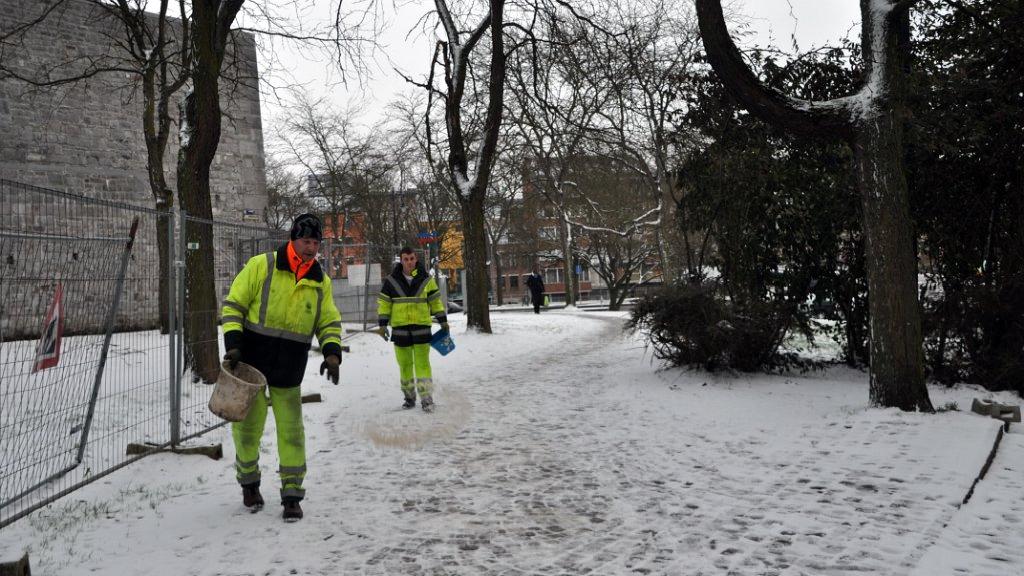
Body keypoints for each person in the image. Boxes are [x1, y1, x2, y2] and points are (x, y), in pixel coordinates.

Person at [220, 213, 343, 522]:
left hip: (289, 367)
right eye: (306, 241)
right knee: (247, 430)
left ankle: (292, 494)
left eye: (315, 243)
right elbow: (234, 305)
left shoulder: (320, 282)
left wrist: (332, 354)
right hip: (252, 366)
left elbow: (328, 321)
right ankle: (249, 483)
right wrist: (233, 343)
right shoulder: (263, 266)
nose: (311, 248)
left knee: (292, 432)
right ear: (293, 239)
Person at [376, 247, 448, 412]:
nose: (409, 262)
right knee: (405, 365)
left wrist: (443, 320)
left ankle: (426, 398)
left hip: (421, 328)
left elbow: (436, 302)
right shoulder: (391, 281)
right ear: (401, 261)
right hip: (400, 330)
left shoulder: (426, 280)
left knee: (422, 364)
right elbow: (384, 304)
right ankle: (409, 398)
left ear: (416, 260)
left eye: (412, 258)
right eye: (406, 259)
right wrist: (382, 324)